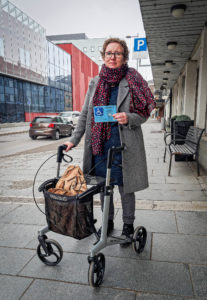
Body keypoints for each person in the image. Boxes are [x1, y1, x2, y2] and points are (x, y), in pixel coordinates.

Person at [64, 37, 155, 245]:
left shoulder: (132, 79)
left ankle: (128, 226)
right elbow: (86, 114)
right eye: (109, 53)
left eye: (117, 53)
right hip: (100, 146)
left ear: (124, 57)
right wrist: (73, 140)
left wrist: (129, 118)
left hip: (124, 145)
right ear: (103, 56)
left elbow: (143, 112)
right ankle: (108, 221)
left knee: (125, 187)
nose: (113, 57)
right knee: (105, 187)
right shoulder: (95, 82)